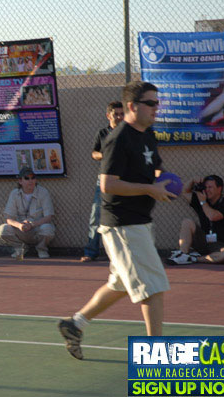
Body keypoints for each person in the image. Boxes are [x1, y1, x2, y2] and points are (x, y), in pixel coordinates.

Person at [57, 81, 174, 360]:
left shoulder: (147, 135)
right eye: (151, 103)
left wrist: (171, 184)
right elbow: (108, 184)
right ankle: (156, 356)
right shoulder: (118, 139)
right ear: (132, 106)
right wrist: (148, 189)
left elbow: (155, 170)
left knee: (120, 284)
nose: (156, 108)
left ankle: (75, 324)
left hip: (138, 222)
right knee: (153, 289)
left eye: (158, 103)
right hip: (123, 225)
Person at [81, 101, 124, 262]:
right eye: (116, 114)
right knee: (96, 215)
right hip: (105, 180)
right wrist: (105, 155)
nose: (119, 117)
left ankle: (121, 253)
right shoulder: (102, 133)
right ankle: (91, 251)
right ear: (109, 115)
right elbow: (94, 153)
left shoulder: (128, 133)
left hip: (125, 180)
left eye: (122, 114)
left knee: (125, 215)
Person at [167, 175, 224, 265]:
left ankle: (194, 259)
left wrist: (203, 202)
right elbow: (184, 191)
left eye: (210, 187)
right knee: (187, 222)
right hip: (204, 242)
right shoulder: (201, 201)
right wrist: (192, 180)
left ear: (219, 189)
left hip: (222, 245)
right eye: (205, 187)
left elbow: (212, 216)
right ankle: (183, 254)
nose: (207, 190)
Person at [0, 166, 55, 260]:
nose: (31, 181)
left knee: (48, 228)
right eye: (27, 178)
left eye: (33, 178)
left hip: (36, 228)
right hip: (21, 229)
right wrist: (19, 225)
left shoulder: (43, 192)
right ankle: (20, 248)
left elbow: (49, 217)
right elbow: (8, 218)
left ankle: (41, 249)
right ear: (20, 181)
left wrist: (33, 224)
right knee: (2, 230)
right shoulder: (14, 194)